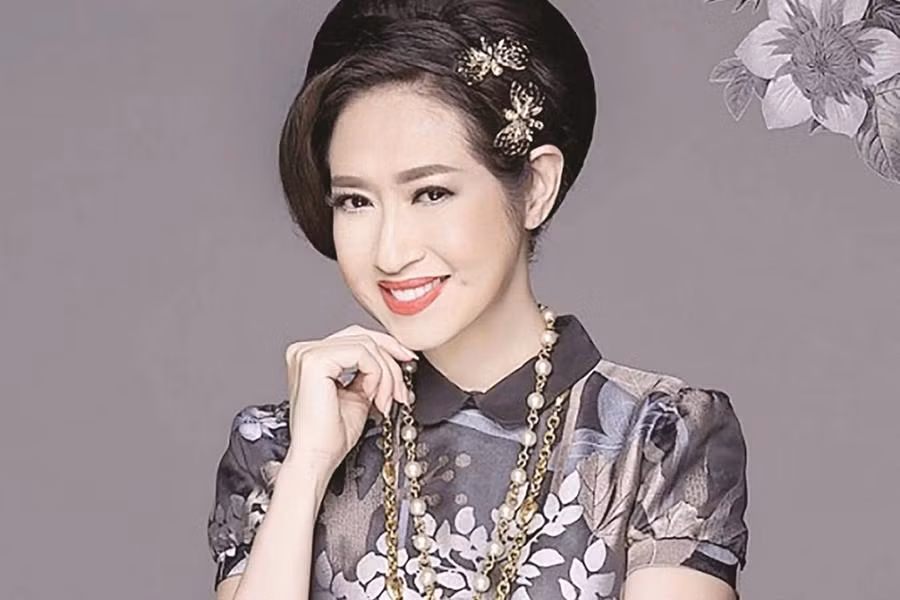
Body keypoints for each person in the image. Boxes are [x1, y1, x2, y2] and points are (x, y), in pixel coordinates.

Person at [206, 1, 750, 599]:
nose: (389, 252)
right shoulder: (278, 446)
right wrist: (308, 466)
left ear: (535, 187)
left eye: (431, 193)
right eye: (355, 202)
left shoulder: (656, 438)